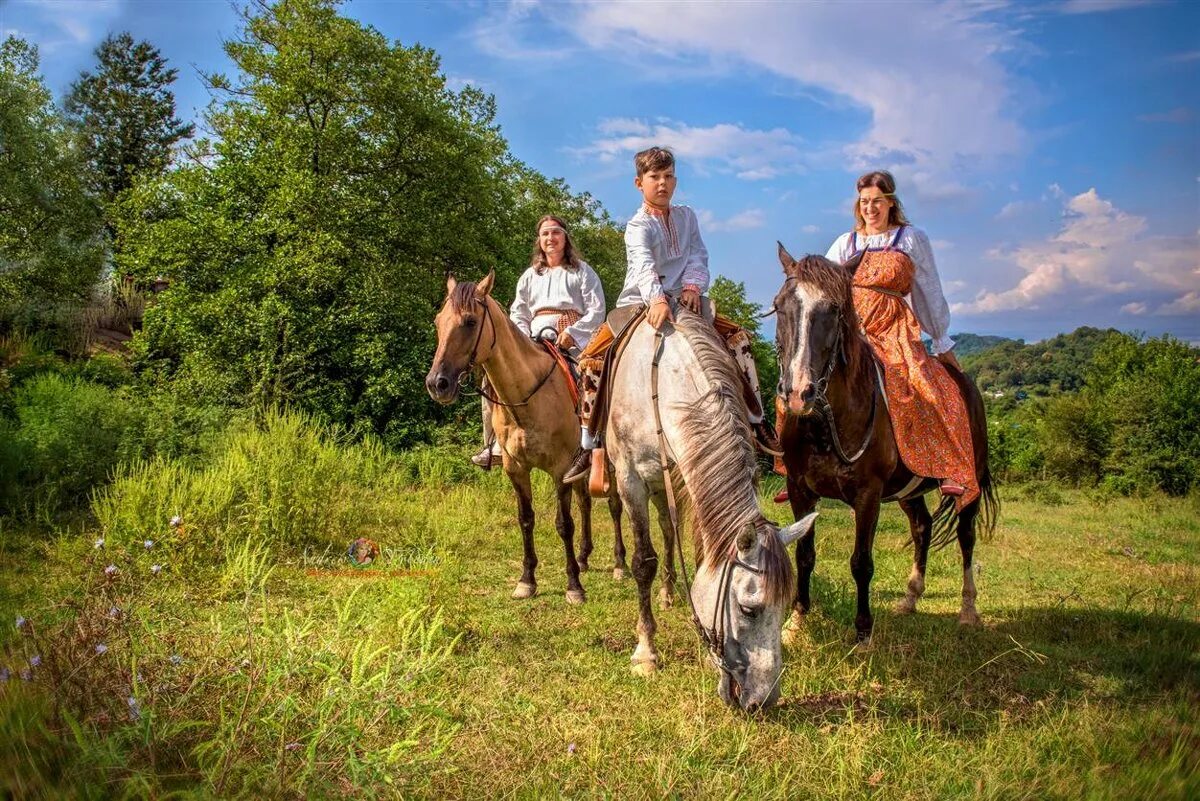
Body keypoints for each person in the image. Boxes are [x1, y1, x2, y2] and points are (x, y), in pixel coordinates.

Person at [563, 146, 778, 484]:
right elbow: (643, 266)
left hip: (687, 299)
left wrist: (693, 286)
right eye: (654, 178)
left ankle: (757, 419)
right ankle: (590, 445)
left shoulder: (687, 216)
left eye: (667, 177)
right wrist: (657, 299)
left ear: (674, 180)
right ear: (639, 183)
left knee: (739, 340)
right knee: (592, 358)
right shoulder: (637, 226)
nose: (661, 184)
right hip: (640, 302)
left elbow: (698, 254)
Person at [774, 169, 977, 507]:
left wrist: (941, 341)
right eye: (865, 202)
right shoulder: (845, 243)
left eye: (877, 202)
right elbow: (818, 289)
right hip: (852, 331)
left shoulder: (911, 239)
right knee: (794, 385)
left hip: (893, 328)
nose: (871, 208)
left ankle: (948, 469)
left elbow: (928, 290)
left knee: (933, 389)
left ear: (890, 203)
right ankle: (794, 470)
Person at [470, 215, 606, 469]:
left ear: (565, 237)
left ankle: (595, 441)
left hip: (570, 340)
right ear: (539, 241)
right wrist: (521, 339)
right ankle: (495, 443)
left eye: (555, 233)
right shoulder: (530, 276)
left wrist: (573, 333)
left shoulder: (582, 271)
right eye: (545, 234)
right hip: (532, 341)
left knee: (590, 376)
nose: (550, 238)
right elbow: (518, 312)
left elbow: (596, 310)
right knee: (493, 379)